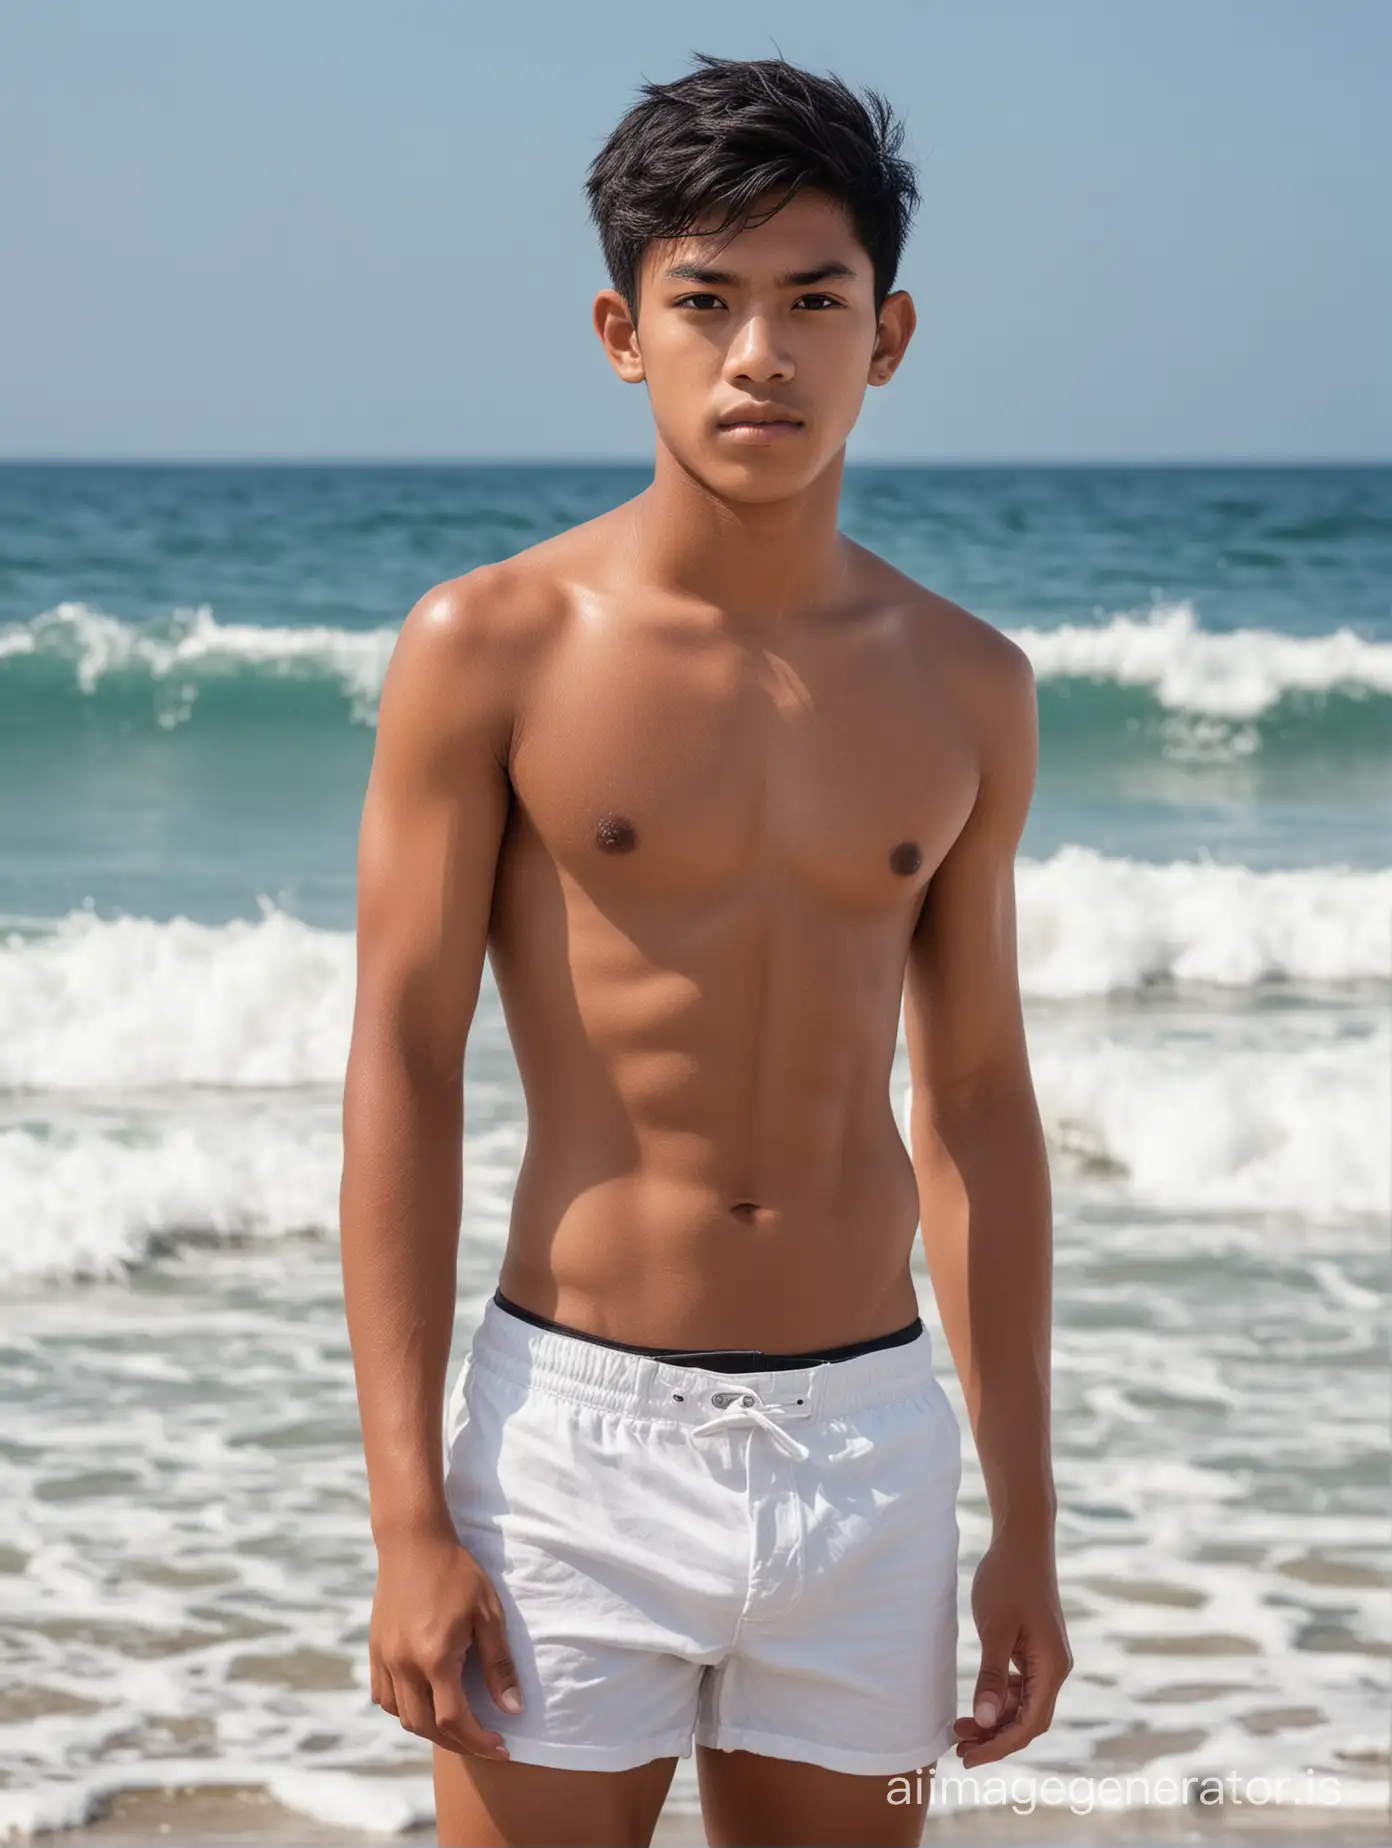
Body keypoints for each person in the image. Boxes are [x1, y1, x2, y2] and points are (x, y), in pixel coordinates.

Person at [339, 51, 1070, 1848]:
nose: (764, 353)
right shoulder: (489, 646)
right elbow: (404, 1065)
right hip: (570, 1452)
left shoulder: (970, 686)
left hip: (869, 1456)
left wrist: (1026, 1531)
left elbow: (974, 1098)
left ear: (887, 337)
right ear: (622, 328)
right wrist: (407, 1519)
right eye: (708, 302)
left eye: (815, 301)